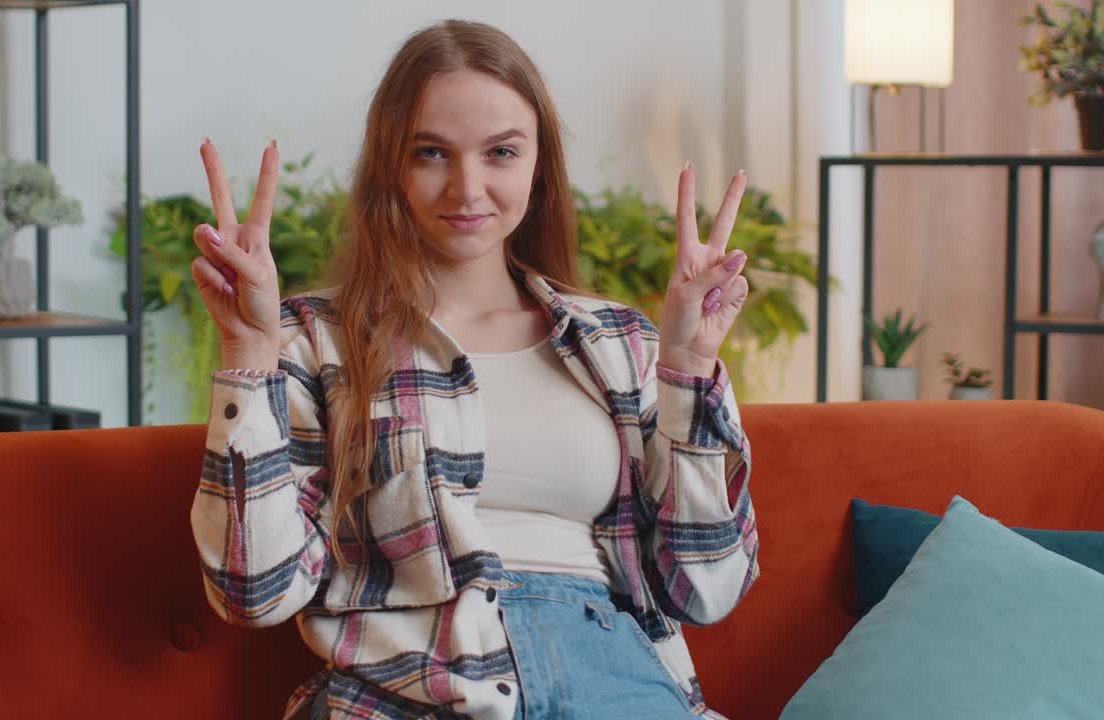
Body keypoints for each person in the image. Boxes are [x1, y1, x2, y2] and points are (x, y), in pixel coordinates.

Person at [188, 18, 758, 720]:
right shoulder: (312, 342)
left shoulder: (623, 344)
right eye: (432, 153)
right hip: (412, 691)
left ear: (538, 164)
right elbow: (256, 592)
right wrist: (247, 354)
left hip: (612, 677)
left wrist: (690, 369)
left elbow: (707, 589)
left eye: (500, 152)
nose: (467, 187)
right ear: (391, 166)